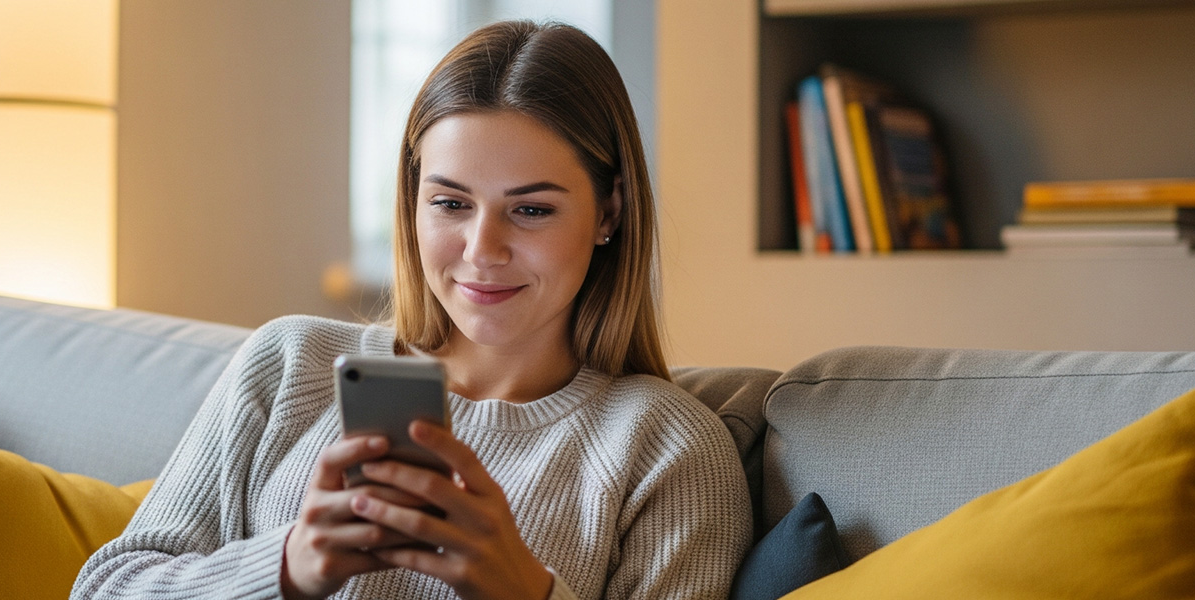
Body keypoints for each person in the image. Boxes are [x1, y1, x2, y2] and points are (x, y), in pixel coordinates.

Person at [71, 20, 748, 600]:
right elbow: (105, 587)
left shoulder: (668, 449)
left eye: (532, 209)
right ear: (412, 200)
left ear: (610, 212)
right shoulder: (290, 364)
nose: (483, 250)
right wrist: (284, 566)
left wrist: (527, 593)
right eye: (451, 203)